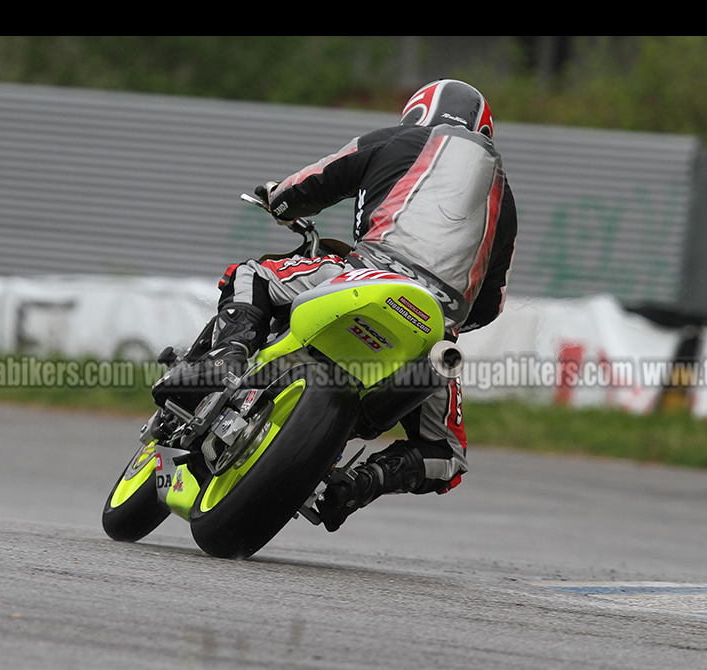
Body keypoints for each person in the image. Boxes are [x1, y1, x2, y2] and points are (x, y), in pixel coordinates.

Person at [157, 79, 518, 532]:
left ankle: (224, 363)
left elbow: (312, 182)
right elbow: (489, 305)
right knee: (444, 455)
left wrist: (280, 200)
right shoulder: (505, 198)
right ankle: (354, 486)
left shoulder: (398, 138)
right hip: (434, 330)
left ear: (419, 112)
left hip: (370, 274)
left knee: (252, 274)